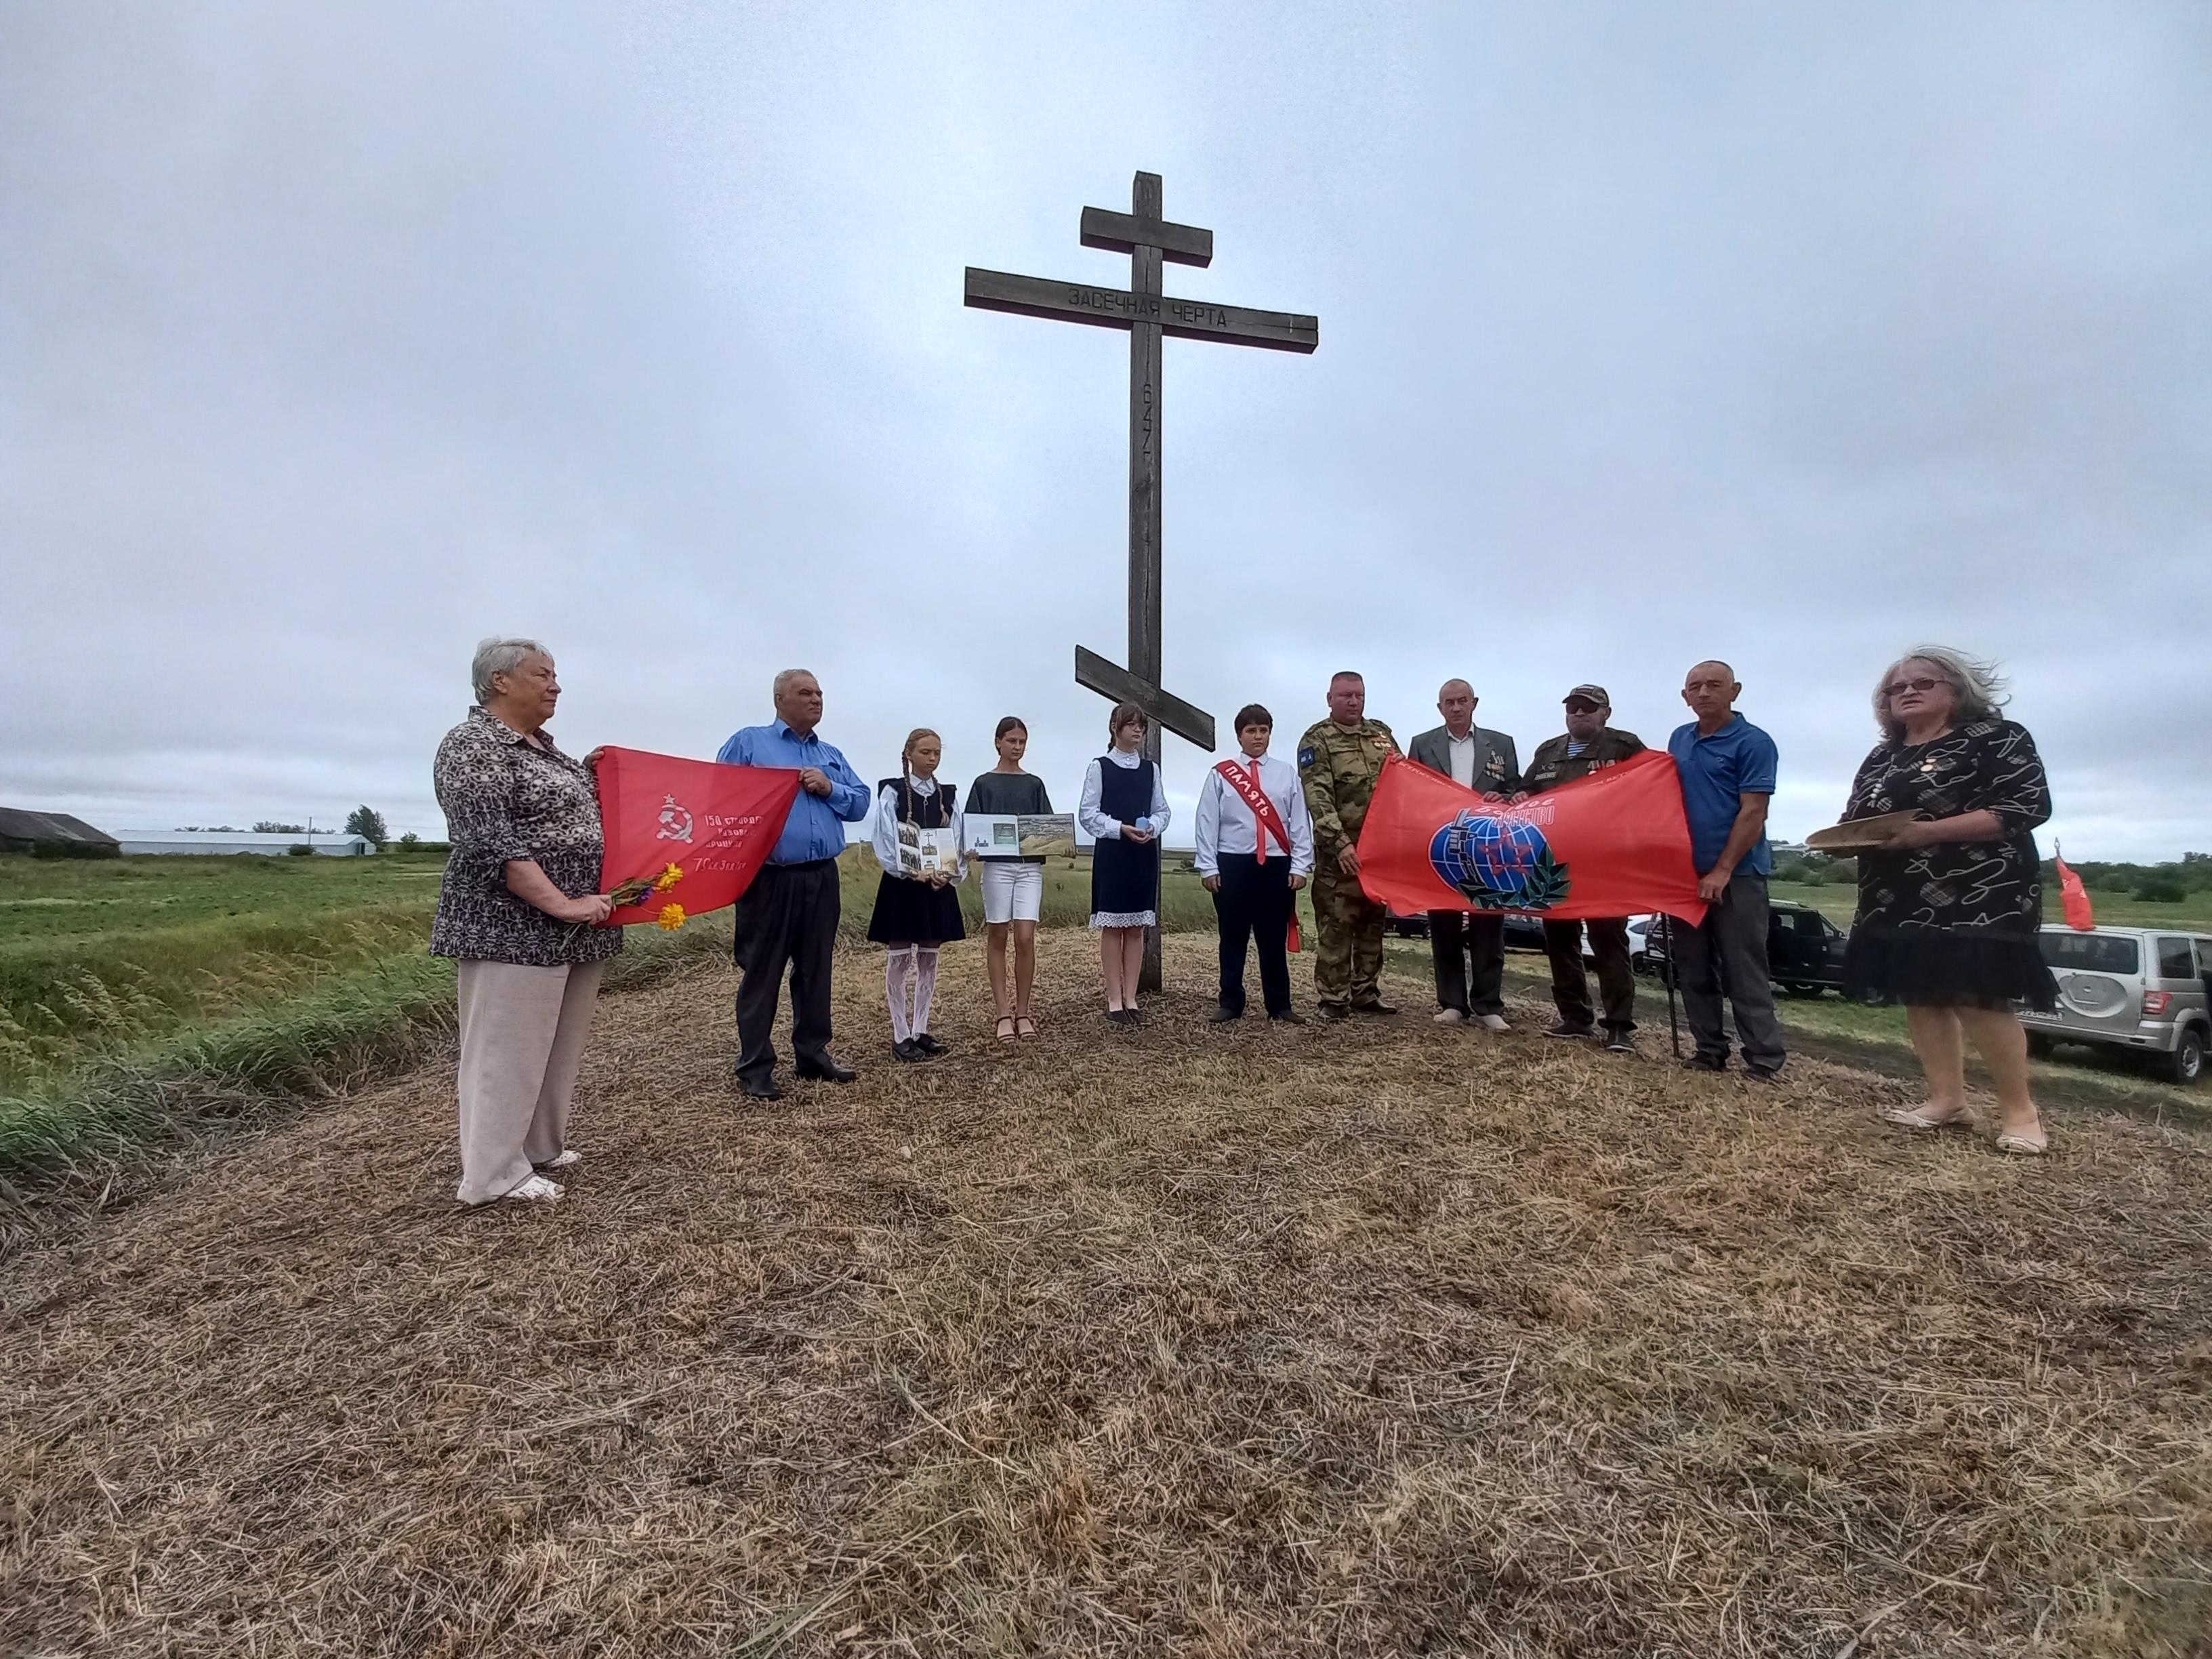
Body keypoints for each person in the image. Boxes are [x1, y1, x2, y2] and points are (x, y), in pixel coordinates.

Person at [1842, 648, 2059, 1155]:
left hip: (1983, 888)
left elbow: (2026, 807)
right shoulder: (1883, 755)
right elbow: (1857, 817)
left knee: (1977, 994)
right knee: (1922, 991)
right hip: (1896, 888)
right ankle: (1946, 1100)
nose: (1908, 692)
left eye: (1924, 682)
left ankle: (2021, 1114)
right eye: (1897, 688)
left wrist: (1928, 833)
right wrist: (1847, 840)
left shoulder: (1999, 738)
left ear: (1958, 690)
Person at [431, 637, 621, 1206]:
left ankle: (538, 1147)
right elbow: (492, 841)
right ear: (500, 682)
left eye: (555, 675)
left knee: (556, 1044)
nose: (555, 685)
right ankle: (491, 1174)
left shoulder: (546, 749)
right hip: (510, 927)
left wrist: (597, 773)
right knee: (505, 1049)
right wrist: (562, 903)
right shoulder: (473, 745)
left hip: (576, 928)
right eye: (543, 674)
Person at [716, 669, 872, 1100]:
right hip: (769, 878)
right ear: (780, 699)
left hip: (822, 875)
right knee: (763, 971)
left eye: (820, 692)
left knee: (815, 968)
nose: (816, 699)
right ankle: (755, 1066)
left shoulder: (831, 754)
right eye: (805, 693)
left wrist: (829, 788)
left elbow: (860, 802)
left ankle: (812, 1054)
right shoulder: (750, 743)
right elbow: (719, 796)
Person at [1666, 660, 1786, 1078]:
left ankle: (1764, 1059)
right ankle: (1708, 1050)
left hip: (1738, 876)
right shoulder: (1680, 739)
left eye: (1714, 685)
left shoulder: (1754, 742)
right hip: (1684, 876)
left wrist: (1722, 870)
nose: (1703, 693)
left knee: (1744, 970)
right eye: (1694, 686)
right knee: (1693, 967)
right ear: (1684, 696)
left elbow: (1753, 812)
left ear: (1735, 691)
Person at [1520, 684, 1645, 1051]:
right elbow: (1527, 790)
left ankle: (1619, 1025)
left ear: (1605, 713)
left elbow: (1650, 791)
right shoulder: (1548, 752)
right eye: (1573, 707)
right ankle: (1575, 1017)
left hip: (1606, 865)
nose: (1579, 713)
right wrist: (1518, 796)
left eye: (1588, 708)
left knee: (1609, 944)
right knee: (1561, 943)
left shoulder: (1624, 747)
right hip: (1555, 864)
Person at [1408, 678, 1521, 1031]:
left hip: (1488, 849)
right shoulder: (1423, 744)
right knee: (1444, 926)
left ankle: (1488, 1004)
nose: (1456, 707)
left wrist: (1504, 798)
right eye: (1449, 702)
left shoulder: (1501, 744)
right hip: (1443, 847)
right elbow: (1411, 791)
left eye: (1462, 701)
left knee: (1489, 926)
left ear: (1475, 703)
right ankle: (1452, 1003)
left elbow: (1514, 788)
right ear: (1439, 707)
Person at [1195, 703, 1315, 1023]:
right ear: (1239, 735)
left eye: (1263, 730)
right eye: (1251, 730)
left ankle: (1280, 1005)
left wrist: (1300, 865)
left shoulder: (1286, 773)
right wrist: (1209, 866)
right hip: (1233, 864)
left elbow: (1299, 822)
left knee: (1272, 939)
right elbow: (1207, 821)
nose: (1258, 736)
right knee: (1232, 938)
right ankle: (1230, 1002)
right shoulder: (1221, 773)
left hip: (1276, 865)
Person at [1297, 671, 1401, 1021]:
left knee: (1373, 925)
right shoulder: (1317, 739)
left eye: (1358, 695)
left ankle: (1366, 992)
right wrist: (1341, 843)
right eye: (1345, 696)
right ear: (1330, 699)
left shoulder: (1381, 734)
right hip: (1339, 856)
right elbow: (1318, 798)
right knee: (1337, 927)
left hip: (1379, 853)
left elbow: (1402, 782)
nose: (1353, 701)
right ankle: (1333, 997)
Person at [867, 728, 966, 1063]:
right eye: (925, 752)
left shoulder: (948, 796)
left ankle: (920, 1029)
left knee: (928, 956)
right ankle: (900, 1034)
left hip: (936, 886)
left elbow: (956, 836)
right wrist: (909, 871)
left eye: (937, 752)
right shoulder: (893, 793)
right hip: (903, 885)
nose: (932, 758)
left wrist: (947, 873)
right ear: (909, 754)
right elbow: (883, 836)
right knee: (900, 956)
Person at [1078, 701, 1169, 1023]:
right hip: (1114, 855)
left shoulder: (1151, 769)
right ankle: (1114, 1000)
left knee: (1136, 929)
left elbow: (1163, 811)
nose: (1137, 730)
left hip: (1142, 856)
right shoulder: (1099, 766)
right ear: (1115, 728)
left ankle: (1132, 999)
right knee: (1113, 929)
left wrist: (1153, 828)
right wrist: (1120, 828)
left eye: (1141, 726)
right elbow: (1088, 815)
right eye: (1131, 725)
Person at [968, 716, 1052, 1042]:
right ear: (998, 742)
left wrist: (1062, 844)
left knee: (1026, 938)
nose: (1017, 747)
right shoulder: (984, 784)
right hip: (997, 868)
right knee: (998, 935)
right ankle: (1003, 1014)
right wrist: (972, 849)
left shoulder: (1034, 784)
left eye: (1022, 742)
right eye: (1012, 741)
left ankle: (1024, 1012)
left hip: (1030, 868)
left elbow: (1047, 828)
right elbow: (973, 829)